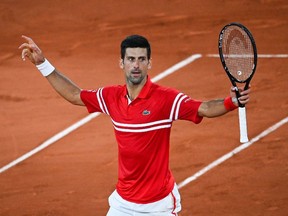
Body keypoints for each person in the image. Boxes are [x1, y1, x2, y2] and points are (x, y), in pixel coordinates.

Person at [19, 34, 250, 216]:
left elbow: (204, 108)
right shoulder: (111, 97)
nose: (136, 65)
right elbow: (75, 94)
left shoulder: (166, 99)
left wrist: (231, 102)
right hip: (123, 204)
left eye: (141, 59)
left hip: (158, 206)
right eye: (131, 59)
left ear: (149, 62)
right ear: (122, 63)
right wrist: (42, 64)